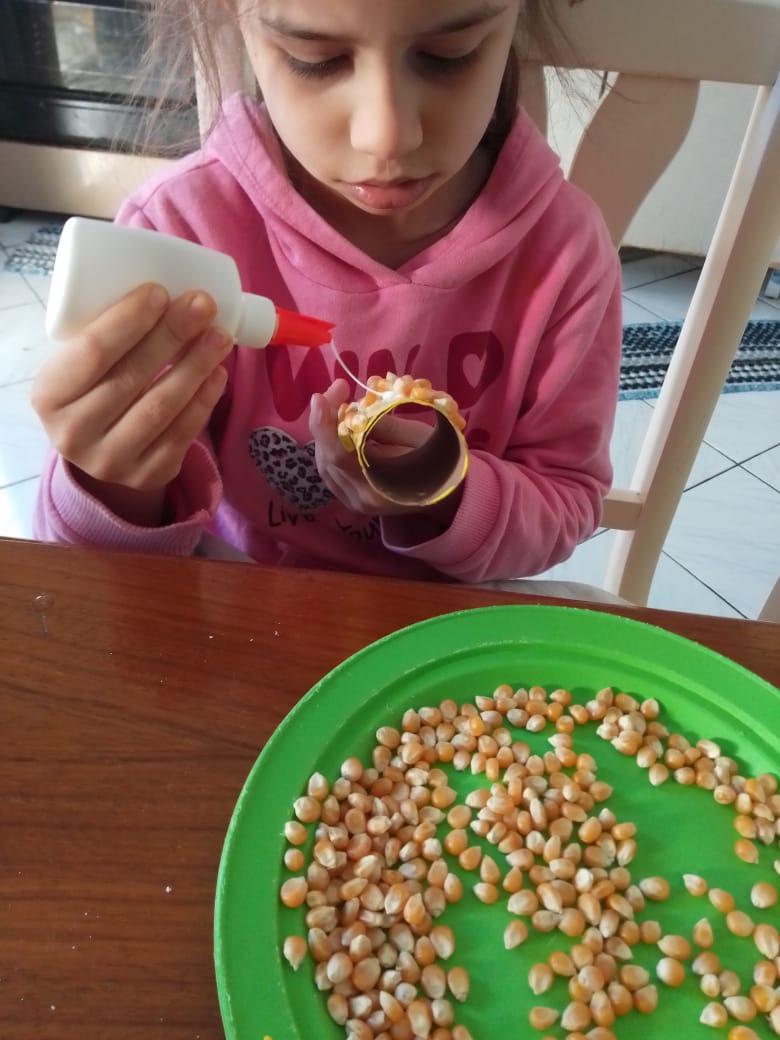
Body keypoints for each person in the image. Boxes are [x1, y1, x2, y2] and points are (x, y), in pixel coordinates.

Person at [31, 0, 622, 584]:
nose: (385, 138)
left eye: (450, 55)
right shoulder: (179, 235)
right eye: (313, 60)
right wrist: (111, 481)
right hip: (251, 606)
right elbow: (103, 584)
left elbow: (564, 501)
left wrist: (439, 490)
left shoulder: (562, 254)